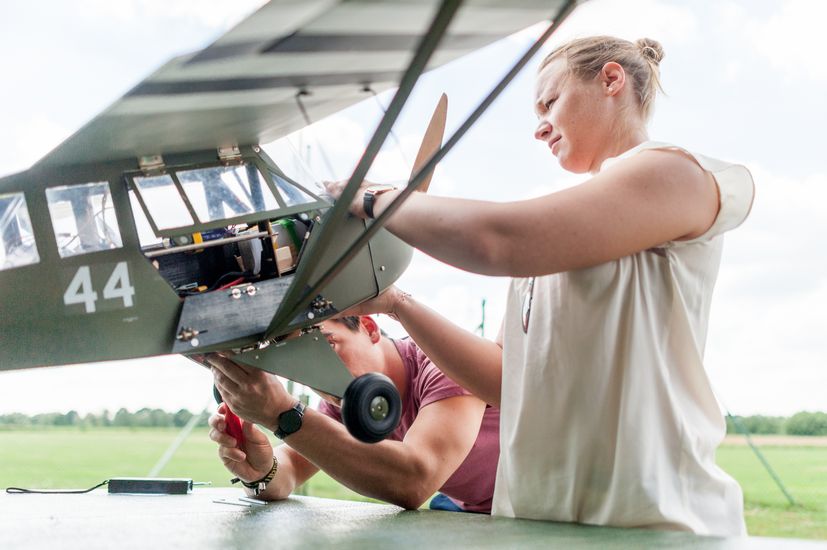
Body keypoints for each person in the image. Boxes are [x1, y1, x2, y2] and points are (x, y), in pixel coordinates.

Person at [324, 36, 754, 536]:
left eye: (549, 102)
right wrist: (397, 303)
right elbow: (505, 381)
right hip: (544, 520)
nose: (539, 126)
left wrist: (377, 201)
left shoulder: (674, 171)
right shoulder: (555, 244)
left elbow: (498, 241)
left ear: (611, 80)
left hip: (657, 521)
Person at [206, 315, 500, 512]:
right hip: (466, 510)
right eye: (300, 361)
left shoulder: (443, 364)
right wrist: (261, 470)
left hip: (531, 508)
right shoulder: (344, 403)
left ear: (370, 328)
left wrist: (282, 414)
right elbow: (291, 468)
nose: (318, 372)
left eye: (328, 345)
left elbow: (416, 478)